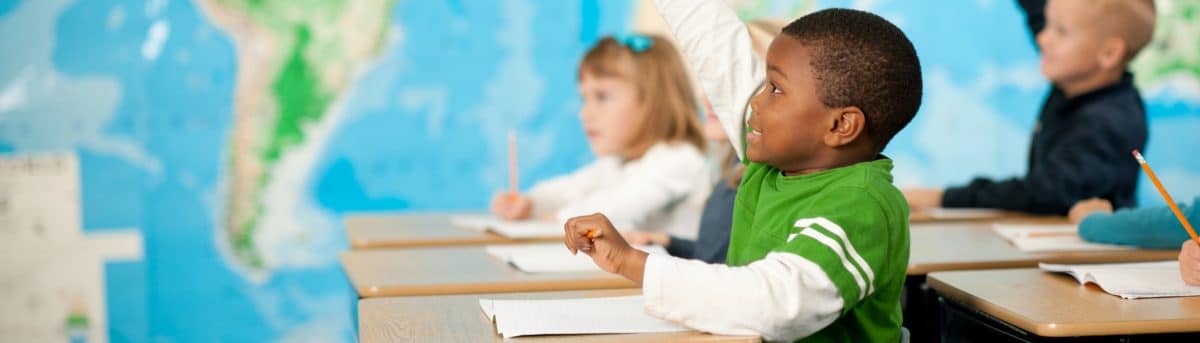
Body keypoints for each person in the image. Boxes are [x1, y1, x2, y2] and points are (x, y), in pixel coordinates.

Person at [564, 0, 922, 340]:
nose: (754, 99)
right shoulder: (777, 161)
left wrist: (632, 263)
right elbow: (716, 46)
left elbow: (775, 304)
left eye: (775, 88)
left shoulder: (861, 207)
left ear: (841, 125)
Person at [904, 0, 1156, 216]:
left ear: (1109, 53)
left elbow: (1045, 192)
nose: (1044, 38)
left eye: (1061, 31)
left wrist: (942, 198)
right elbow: (1046, 14)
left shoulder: (1110, 122)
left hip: (1088, 265)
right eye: (1047, 23)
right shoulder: (1081, 70)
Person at [490, 34, 711, 239]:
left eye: (602, 97)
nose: (584, 113)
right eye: (584, 98)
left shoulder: (680, 159)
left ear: (654, 103)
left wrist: (560, 218)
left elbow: (616, 210)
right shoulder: (616, 163)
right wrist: (531, 203)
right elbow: (571, 188)